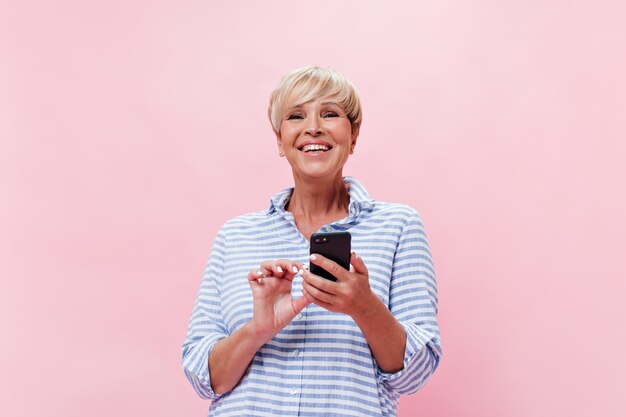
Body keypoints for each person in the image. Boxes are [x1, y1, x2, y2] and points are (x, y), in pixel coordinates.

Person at [182, 65, 442, 417]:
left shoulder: (398, 226)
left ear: (354, 135)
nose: (313, 126)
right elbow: (204, 379)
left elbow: (414, 375)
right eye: (296, 115)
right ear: (279, 139)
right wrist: (259, 329)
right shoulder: (235, 235)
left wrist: (364, 306)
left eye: (330, 113)